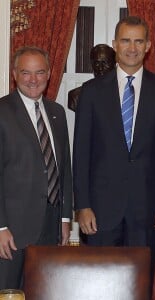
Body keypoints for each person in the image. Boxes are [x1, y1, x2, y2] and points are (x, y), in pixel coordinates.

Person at [72, 16, 155, 285]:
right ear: (115, 45)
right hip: (99, 213)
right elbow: (81, 153)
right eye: (125, 40)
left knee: (139, 286)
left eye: (138, 41)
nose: (132, 47)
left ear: (148, 46)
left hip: (147, 211)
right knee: (99, 286)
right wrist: (82, 206)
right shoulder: (91, 92)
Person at [0, 46, 72, 289]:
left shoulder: (57, 113)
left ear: (50, 73)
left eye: (39, 72)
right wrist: (0, 226)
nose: (33, 80)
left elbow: (65, 170)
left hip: (50, 226)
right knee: (9, 292)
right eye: (26, 73)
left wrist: (64, 218)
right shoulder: (2, 112)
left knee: (44, 291)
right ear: (14, 74)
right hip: (12, 230)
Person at [68, 44, 116, 112]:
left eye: (105, 63)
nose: (100, 68)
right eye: (97, 63)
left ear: (114, 65)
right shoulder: (76, 96)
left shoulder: (123, 94)